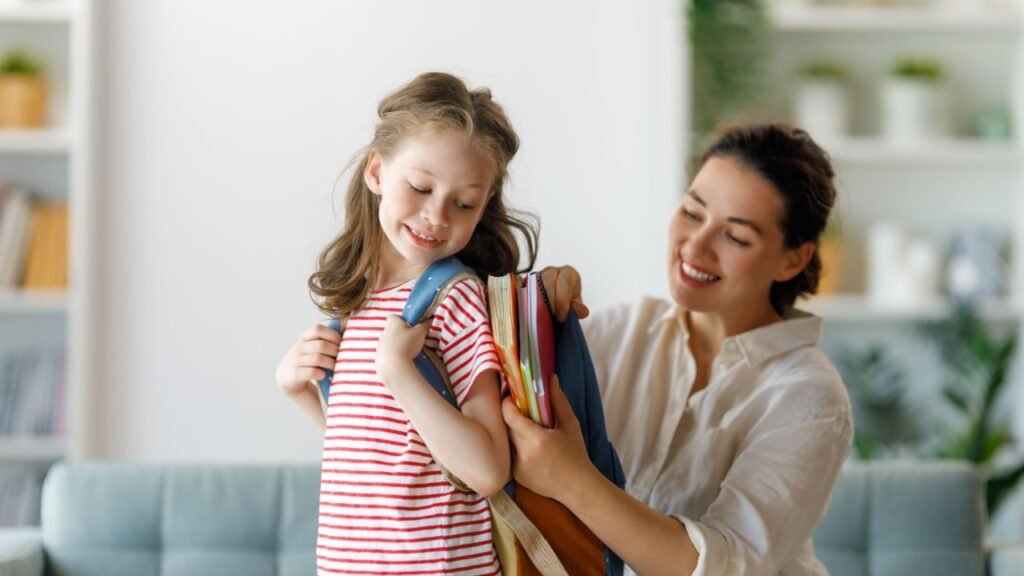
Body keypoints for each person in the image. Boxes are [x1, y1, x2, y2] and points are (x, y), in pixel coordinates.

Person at [511, 124, 854, 576]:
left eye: (736, 237)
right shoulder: (618, 332)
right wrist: (534, 311)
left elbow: (727, 566)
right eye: (692, 213)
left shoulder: (810, 398)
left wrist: (574, 481)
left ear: (794, 260)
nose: (696, 245)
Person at [275, 72, 537, 576]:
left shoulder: (454, 300)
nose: (437, 215)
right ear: (377, 171)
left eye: (464, 203)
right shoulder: (355, 305)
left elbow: (487, 470)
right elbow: (376, 453)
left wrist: (399, 371)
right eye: (420, 187)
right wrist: (297, 390)